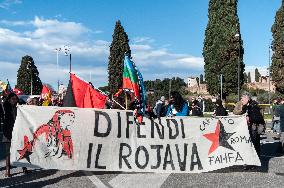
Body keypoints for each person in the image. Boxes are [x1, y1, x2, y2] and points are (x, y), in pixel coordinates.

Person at [235, 92, 265, 158]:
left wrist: (249, 118)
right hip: (250, 128)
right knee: (253, 144)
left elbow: (258, 117)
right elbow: (237, 112)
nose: (241, 101)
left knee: (253, 144)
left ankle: (253, 160)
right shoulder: (246, 106)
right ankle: (254, 159)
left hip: (254, 128)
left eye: (242, 100)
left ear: (247, 99)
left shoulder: (253, 106)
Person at [2, 93, 20, 177]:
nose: (14, 100)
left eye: (16, 98)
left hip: (18, 131)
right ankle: (7, 170)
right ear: (9, 99)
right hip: (8, 131)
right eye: (13, 99)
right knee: (8, 151)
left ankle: (24, 167)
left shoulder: (19, 107)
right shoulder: (5, 107)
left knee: (20, 150)